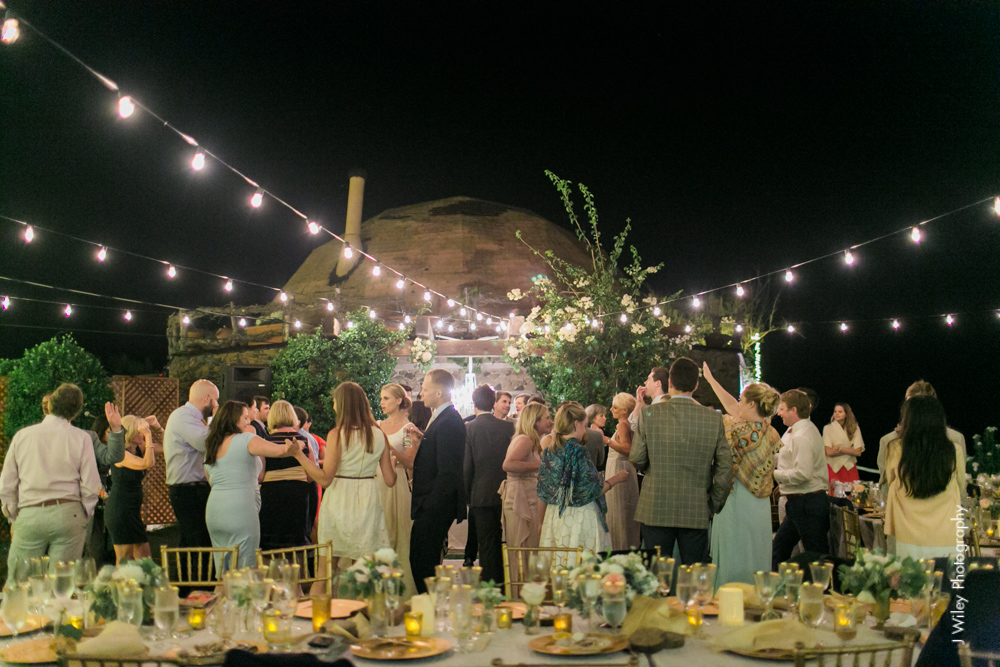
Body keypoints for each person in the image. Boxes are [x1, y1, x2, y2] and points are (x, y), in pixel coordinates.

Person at [629, 359, 734, 565]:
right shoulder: (713, 419)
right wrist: (713, 503)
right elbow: (725, 468)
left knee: (654, 575)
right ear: (696, 385)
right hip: (696, 507)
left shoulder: (649, 414)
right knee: (695, 576)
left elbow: (637, 458)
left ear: (669, 381)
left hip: (655, 506)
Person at [1, 383, 101, 583]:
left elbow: (7, 481)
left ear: (51, 405)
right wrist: (85, 513)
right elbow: (91, 484)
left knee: (19, 583)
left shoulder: (23, 436)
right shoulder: (81, 438)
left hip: (30, 512)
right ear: (76, 411)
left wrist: (12, 514)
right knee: (61, 585)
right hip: (68, 512)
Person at [298, 382, 397, 576]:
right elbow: (390, 480)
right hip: (368, 500)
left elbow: (325, 479)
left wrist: (298, 455)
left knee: (326, 569)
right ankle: (360, 606)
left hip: (340, 499)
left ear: (342, 404)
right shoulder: (379, 434)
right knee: (363, 571)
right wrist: (392, 465)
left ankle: (325, 605)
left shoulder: (338, 434)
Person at [702, 363, 783, 586]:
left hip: (736, 499)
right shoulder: (768, 430)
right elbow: (732, 406)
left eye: (741, 399)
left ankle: (729, 598)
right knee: (755, 551)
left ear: (751, 403)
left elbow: (732, 411)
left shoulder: (736, 429)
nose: (737, 404)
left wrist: (710, 380)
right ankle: (757, 598)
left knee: (733, 550)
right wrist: (712, 380)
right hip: (759, 505)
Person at [205, 401, 296, 570]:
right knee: (247, 569)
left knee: (224, 572)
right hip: (240, 511)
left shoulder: (212, 445)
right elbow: (280, 451)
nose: (249, 422)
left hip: (214, 511)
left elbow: (210, 479)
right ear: (233, 419)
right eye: (245, 417)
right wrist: (298, 446)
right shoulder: (246, 439)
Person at [538, 403, 628, 556]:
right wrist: (616, 479)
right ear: (576, 424)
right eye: (584, 425)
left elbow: (543, 491)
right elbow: (594, 490)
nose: (585, 429)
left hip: (555, 515)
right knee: (582, 564)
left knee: (561, 562)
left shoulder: (550, 451)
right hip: (580, 516)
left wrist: (541, 522)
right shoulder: (579, 451)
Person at [406, 370, 467, 593]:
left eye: (425, 388)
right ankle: (430, 607)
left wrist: (429, 506)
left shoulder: (449, 420)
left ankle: (431, 608)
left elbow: (448, 472)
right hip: (432, 504)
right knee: (424, 560)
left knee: (422, 561)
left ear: (439, 392)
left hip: (435, 505)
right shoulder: (441, 417)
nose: (421, 393)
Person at [883, 396, 966, 560]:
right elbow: (961, 486)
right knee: (945, 585)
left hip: (908, 535)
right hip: (947, 537)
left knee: (911, 583)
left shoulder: (895, 449)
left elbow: (890, 480)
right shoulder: (954, 451)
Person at [771, 389, 830, 569]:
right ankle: (779, 587)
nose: (779, 413)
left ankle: (824, 592)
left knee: (817, 557)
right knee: (779, 548)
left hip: (807, 502)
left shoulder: (802, 435)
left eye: (782, 409)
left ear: (794, 410)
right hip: (800, 503)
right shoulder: (796, 431)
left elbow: (803, 473)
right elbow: (784, 457)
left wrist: (772, 474)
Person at [464, 384, 515, 584]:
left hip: (480, 493)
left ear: (474, 402)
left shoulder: (470, 428)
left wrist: (467, 495)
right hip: (507, 490)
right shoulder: (509, 427)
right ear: (493, 403)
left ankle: (491, 585)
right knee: (507, 540)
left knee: (486, 544)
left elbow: (467, 465)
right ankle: (508, 581)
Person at [877, 380, 966, 490]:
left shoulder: (955, 439)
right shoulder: (888, 441)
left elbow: (886, 487)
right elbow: (961, 488)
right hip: (944, 507)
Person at [163, 379, 219, 549]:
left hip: (192, 489)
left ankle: (191, 574)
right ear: (206, 398)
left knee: (194, 539)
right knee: (197, 540)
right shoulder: (183, 416)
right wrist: (218, 418)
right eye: (215, 400)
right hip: (187, 490)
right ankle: (194, 575)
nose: (217, 404)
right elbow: (206, 443)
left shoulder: (192, 418)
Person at [376, 384, 417, 599]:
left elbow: (410, 460)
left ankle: (399, 591)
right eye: (381, 398)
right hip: (376, 483)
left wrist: (387, 446)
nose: (382, 402)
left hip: (397, 484)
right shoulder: (377, 425)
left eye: (386, 398)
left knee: (398, 535)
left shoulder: (409, 429)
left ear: (399, 400)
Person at [258, 400, 313, 550]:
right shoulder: (304, 441)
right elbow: (310, 476)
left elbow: (260, 476)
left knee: (272, 544)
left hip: (272, 493)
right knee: (296, 544)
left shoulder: (265, 441)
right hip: (298, 492)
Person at [105, 415, 156, 563]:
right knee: (125, 560)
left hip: (132, 511)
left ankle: (143, 586)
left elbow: (166, 445)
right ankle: (120, 586)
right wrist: (148, 435)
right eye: (140, 431)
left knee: (145, 560)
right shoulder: (121, 454)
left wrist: (157, 427)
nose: (143, 433)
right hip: (120, 510)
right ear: (131, 433)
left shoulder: (137, 449)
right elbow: (148, 463)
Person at [606, 392, 641, 550]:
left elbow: (628, 449)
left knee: (619, 515)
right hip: (624, 469)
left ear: (625, 410)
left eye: (615, 407)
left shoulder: (622, 425)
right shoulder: (628, 424)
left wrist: (607, 441)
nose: (611, 409)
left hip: (620, 469)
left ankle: (619, 549)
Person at [823, 403, 864, 485]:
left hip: (850, 466)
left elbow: (858, 452)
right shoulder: (827, 428)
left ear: (846, 414)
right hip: (833, 466)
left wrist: (839, 448)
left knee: (852, 493)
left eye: (840, 411)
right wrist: (850, 450)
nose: (837, 414)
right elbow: (829, 452)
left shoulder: (855, 428)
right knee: (834, 495)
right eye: (835, 411)